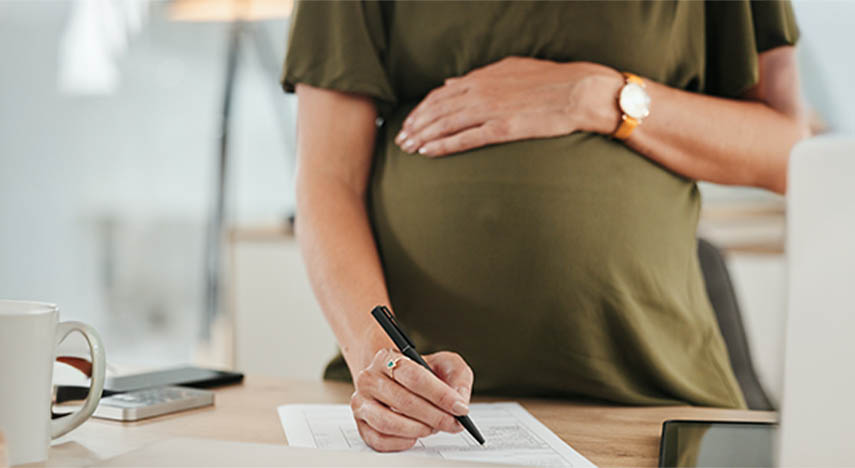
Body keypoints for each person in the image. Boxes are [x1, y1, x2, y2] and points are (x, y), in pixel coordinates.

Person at [281, 0, 807, 452]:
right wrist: (379, 360)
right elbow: (328, 179)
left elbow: (786, 149)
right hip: (424, 419)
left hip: (655, 394)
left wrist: (599, 96)